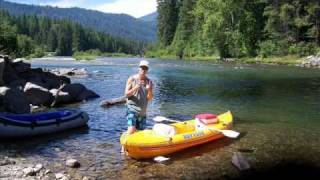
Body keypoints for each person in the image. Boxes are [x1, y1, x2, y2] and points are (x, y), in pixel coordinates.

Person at [124, 60, 153, 135]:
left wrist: (149, 90)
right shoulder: (132, 79)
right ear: (139, 68)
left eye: (145, 68)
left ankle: (134, 146)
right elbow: (126, 94)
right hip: (132, 109)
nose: (143, 70)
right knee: (131, 130)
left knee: (140, 134)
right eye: (142, 68)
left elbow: (149, 99)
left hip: (142, 112)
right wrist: (136, 87)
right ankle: (124, 146)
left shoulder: (149, 82)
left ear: (147, 70)